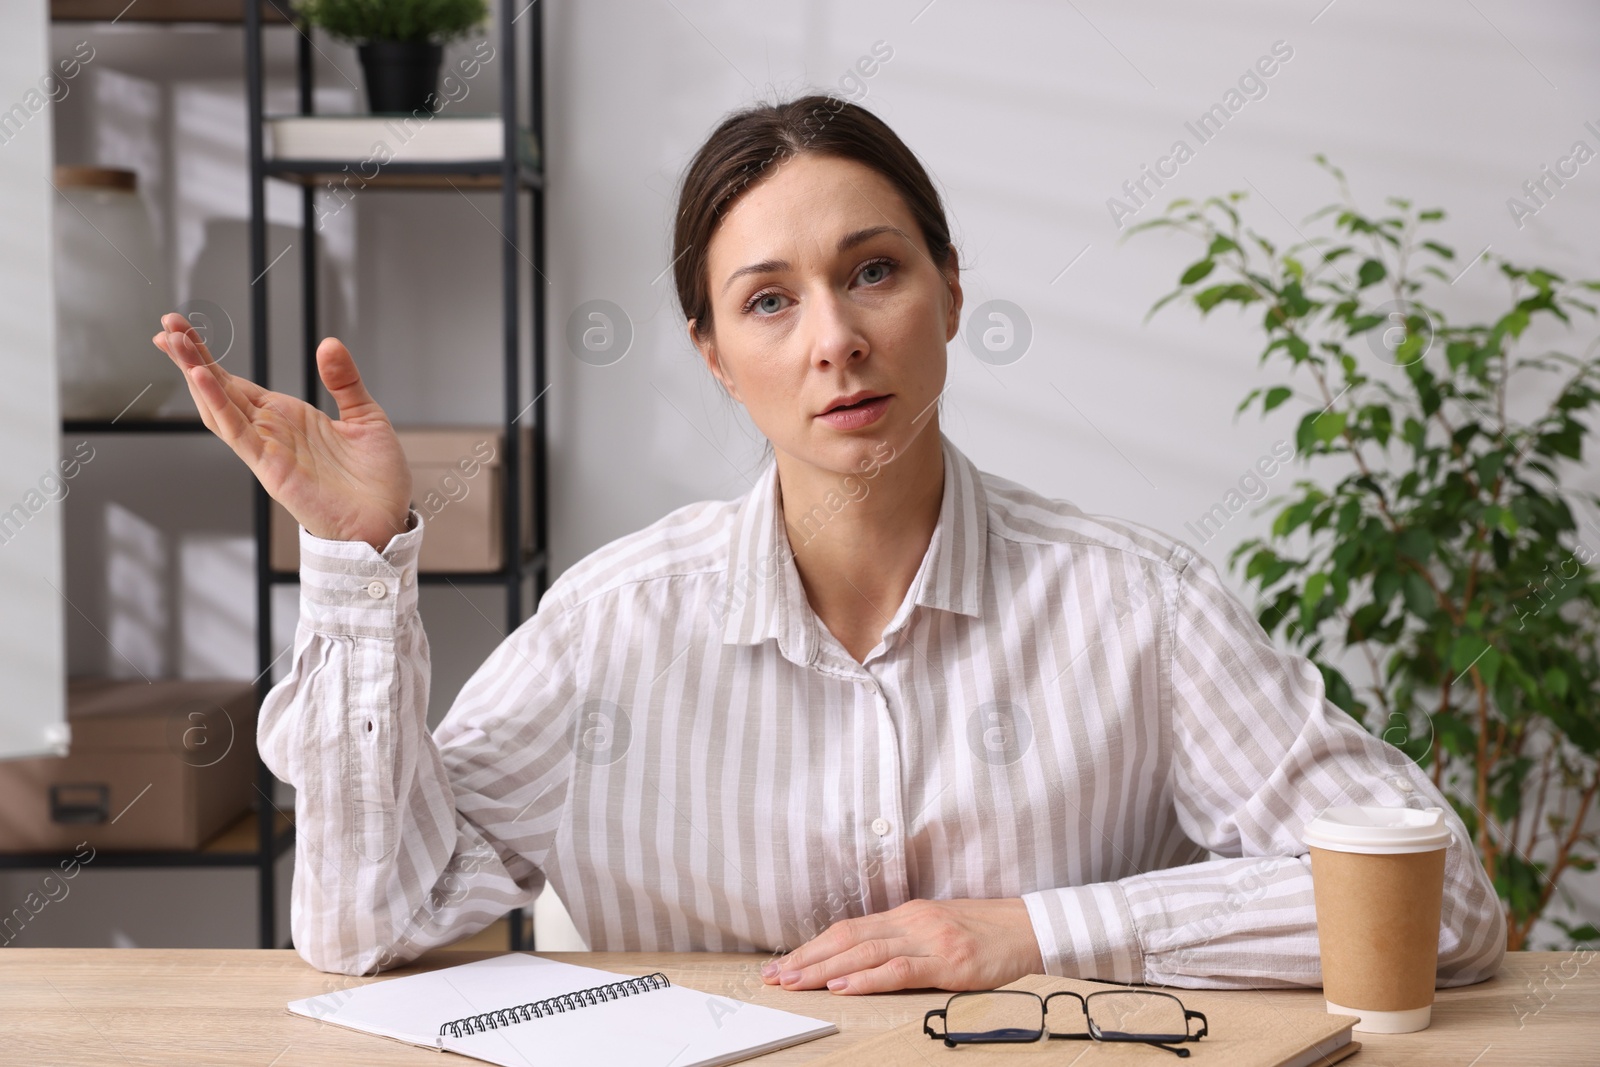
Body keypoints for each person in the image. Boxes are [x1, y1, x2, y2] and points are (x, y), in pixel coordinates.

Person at [151, 94, 1504, 993]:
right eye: (769, 300)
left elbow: (1445, 907)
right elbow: (358, 925)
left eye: (874, 271)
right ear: (712, 356)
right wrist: (357, 558)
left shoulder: (1134, 607)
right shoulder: (610, 627)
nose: (836, 341)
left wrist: (1029, 931)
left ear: (951, 290)